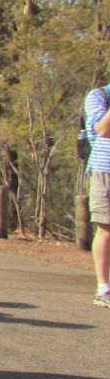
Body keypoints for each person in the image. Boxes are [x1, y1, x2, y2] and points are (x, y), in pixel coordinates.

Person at [81, 81, 110, 308]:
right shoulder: (98, 96)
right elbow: (103, 129)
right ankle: (103, 288)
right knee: (106, 228)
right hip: (105, 169)